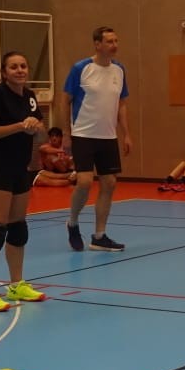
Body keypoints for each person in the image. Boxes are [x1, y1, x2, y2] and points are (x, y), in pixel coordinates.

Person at [0, 51, 49, 312]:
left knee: (18, 228)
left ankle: (16, 284)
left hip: (19, 167)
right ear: (4, 72)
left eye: (23, 66)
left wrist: (36, 127)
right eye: (14, 67)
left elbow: (41, 133)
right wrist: (19, 126)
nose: (20, 70)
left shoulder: (29, 96)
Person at [59, 26, 131, 251]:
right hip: (83, 134)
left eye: (116, 41)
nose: (114, 45)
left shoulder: (119, 70)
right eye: (109, 41)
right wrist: (66, 133)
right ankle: (72, 222)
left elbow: (122, 104)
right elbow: (64, 101)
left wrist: (126, 134)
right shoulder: (81, 68)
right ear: (97, 44)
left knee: (109, 183)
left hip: (108, 136)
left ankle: (99, 236)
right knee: (84, 182)